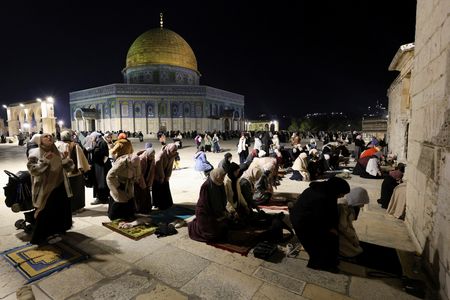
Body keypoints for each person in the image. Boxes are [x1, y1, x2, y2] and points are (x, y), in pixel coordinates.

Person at [289, 177, 350, 272]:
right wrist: (329, 228)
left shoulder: (324, 190)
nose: (342, 196)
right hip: (303, 224)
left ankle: (329, 261)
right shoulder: (322, 196)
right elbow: (318, 218)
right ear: (336, 189)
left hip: (308, 219)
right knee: (329, 239)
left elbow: (327, 213)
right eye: (342, 193)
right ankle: (321, 264)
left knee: (334, 234)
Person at [27, 133, 74, 244]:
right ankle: (45, 236)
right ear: (40, 141)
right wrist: (45, 161)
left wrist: (66, 159)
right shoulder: (34, 153)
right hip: (44, 188)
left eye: (50, 136)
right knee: (45, 213)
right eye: (45, 136)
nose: (49, 138)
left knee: (58, 211)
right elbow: (33, 171)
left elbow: (70, 169)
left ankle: (56, 231)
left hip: (60, 186)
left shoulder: (58, 152)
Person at [188, 168, 230, 242]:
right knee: (212, 235)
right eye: (222, 177)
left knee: (226, 227)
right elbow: (205, 204)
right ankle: (193, 226)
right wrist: (216, 216)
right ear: (217, 176)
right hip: (205, 213)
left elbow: (223, 199)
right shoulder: (206, 186)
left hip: (217, 212)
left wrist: (223, 211)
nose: (223, 179)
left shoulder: (220, 183)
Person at [106, 137, 140, 220]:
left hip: (127, 184)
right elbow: (109, 176)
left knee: (128, 199)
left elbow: (137, 172)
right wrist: (117, 186)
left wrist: (135, 178)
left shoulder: (134, 160)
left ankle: (127, 215)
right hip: (120, 184)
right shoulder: (122, 161)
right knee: (119, 200)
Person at [57, 130, 91, 213]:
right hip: (75, 173)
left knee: (65, 191)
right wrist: (84, 168)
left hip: (62, 173)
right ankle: (77, 208)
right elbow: (81, 158)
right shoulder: (75, 146)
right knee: (77, 191)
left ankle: (67, 208)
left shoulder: (56, 145)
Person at [338, 187, 369, 258]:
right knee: (355, 251)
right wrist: (352, 238)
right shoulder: (342, 207)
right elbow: (343, 227)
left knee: (356, 246)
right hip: (336, 232)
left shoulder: (350, 207)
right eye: (362, 203)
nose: (363, 205)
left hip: (341, 231)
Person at [152, 143, 178, 210]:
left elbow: (170, 166)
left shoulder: (172, 155)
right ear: (169, 149)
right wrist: (162, 176)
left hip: (165, 173)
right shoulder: (161, 154)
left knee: (165, 187)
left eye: (175, 150)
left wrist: (168, 176)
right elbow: (158, 166)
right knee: (158, 189)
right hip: (157, 174)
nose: (174, 152)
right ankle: (158, 204)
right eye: (173, 150)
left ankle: (166, 203)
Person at [134, 144, 155, 215]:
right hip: (138, 179)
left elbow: (152, 172)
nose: (152, 157)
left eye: (153, 156)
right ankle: (140, 209)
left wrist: (150, 183)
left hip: (146, 177)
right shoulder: (141, 159)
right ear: (147, 155)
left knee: (147, 193)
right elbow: (139, 173)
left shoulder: (152, 159)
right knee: (140, 194)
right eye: (151, 156)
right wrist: (143, 184)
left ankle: (147, 208)